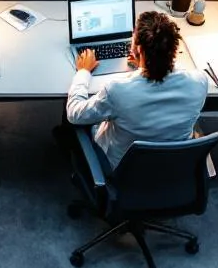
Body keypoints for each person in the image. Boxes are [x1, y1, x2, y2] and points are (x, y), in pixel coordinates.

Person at [65, 11, 209, 167]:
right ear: (174, 49)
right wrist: (144, 64)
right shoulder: (199, 82)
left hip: (123, 170)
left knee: (76, 119)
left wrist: (83, 72)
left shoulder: (117, 91)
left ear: (139, 50)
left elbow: (74, 114)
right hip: (172, 166)